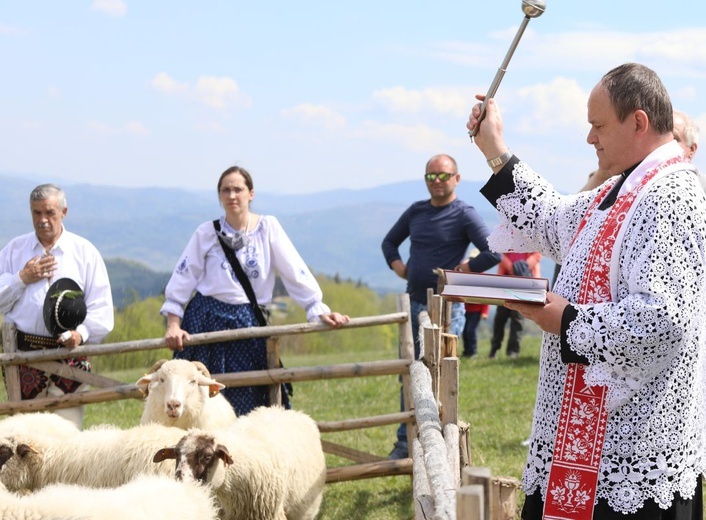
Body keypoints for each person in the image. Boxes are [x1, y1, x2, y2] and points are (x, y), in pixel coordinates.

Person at [467, 63, 706, 518]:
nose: (590, 138)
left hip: (631, 456)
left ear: (637, 122)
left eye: (598, 126)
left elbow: (665, 318)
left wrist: (567, 320)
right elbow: (550, 220)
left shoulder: (671, 194)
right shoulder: (624, 188)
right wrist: (495, 148)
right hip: (593, 447)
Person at [161, 165, 349, 416]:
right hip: (205, 321)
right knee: (201, 403)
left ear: (251, 193)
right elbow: (182, 280)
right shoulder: (206, 232)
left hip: (248, 324)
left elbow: (294, 270)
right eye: (225, 190)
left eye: (238, 189)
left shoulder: (267, 228)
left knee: (249, 399)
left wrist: (317, 308)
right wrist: (174, 324)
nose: (232, 195)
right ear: (219, 196)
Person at [381, 153, 501, 460]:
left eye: (443, 176)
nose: (437, 182)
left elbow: (493, 252)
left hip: (448, 308)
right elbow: (389, 242)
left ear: (456, 179)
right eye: (431, 177)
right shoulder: (416, 211)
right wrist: (399, 267)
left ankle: (440, 443)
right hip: (415, 301)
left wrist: (465, 268)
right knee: (410, 372)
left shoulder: (464, 213)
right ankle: (405, 442)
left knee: (440, 375)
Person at [0, 184, 114, 428]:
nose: (43, 220)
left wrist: (80, 334)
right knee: (25, 439)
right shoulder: (14, 251)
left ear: (64, 212)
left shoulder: (84, 252)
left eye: (50, 213)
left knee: (66, 440)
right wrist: (22, 278)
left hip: (70, 358)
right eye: (36, 213)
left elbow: (102, 309)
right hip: (23, 359)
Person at [489, 251, 541, 359]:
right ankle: (494, 349)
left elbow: (538, 253)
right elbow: (499, 253)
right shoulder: (506, 235)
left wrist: (524, 265)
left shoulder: (530, 236)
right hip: (505, 283)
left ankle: (513, 352)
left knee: (517, 319)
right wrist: (511, 267)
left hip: (525, 283)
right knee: (500, 318)